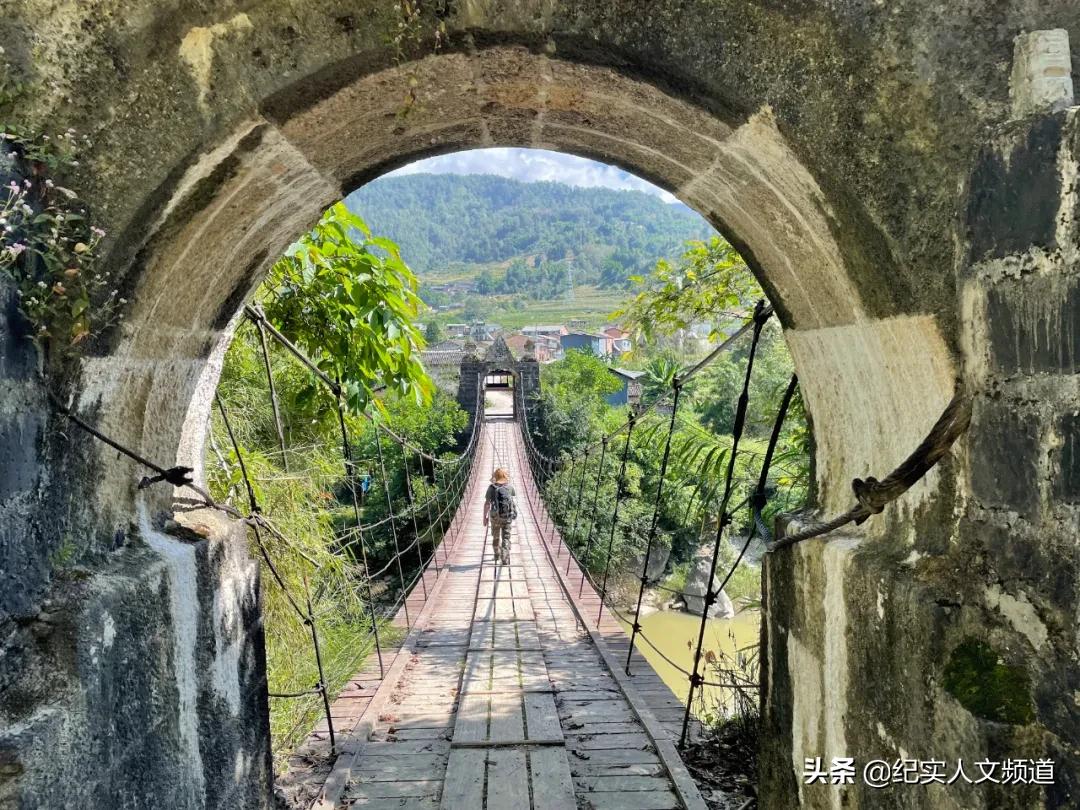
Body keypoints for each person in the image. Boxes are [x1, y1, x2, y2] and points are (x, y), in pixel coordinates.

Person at [483, 467, 517, 565]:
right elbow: (511, 499)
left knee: (496, 536)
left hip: (495, 516)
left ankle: (496, 554)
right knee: (506, 537)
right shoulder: (510, 487)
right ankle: (505, 557)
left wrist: (484, 517)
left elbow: (487, 504)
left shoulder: (491, 488)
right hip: (507, 516)